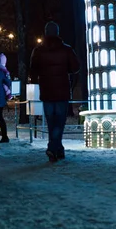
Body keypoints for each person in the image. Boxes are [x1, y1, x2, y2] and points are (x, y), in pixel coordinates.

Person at [29, 21, 80, 163]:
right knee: (60, 122)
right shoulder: (66, 49)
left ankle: (55, 148)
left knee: (51, 122)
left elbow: (33, 68)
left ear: (45, 33)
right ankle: (55, 148)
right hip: (62, 91)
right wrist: (66, 70)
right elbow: (76, 67)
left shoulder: (38, 50)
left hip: (46, 91)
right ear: (58, 33)